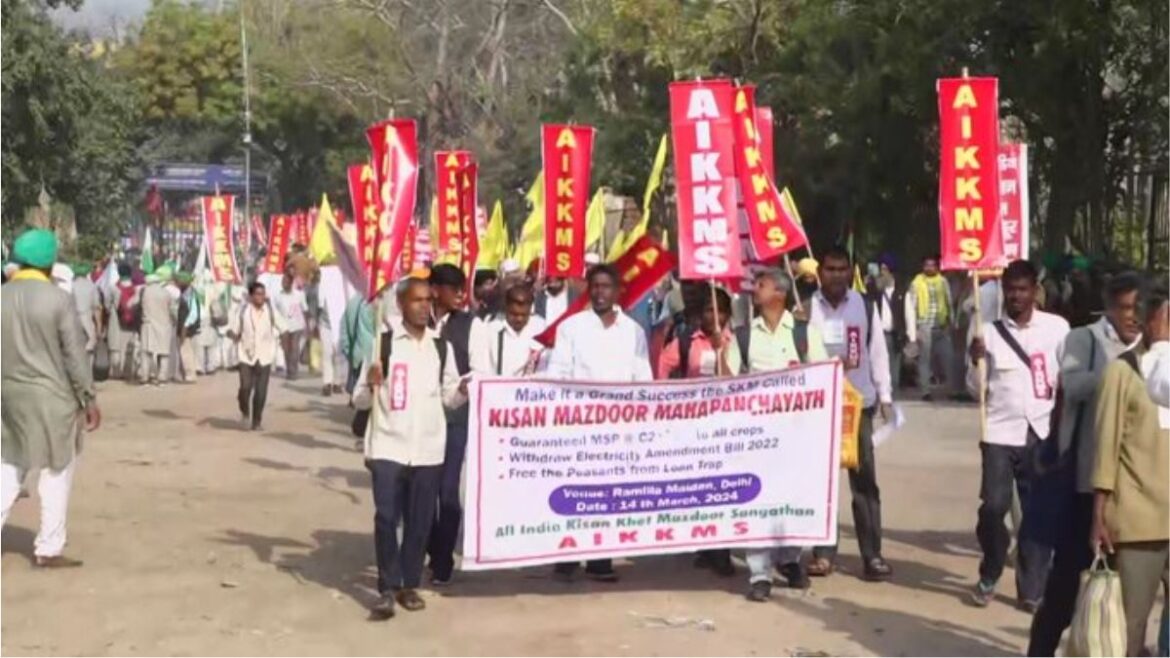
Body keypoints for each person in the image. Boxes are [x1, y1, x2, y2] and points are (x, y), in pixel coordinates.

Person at [1028, 271, 1145, 654]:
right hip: (1085, 484)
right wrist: (1121, 373)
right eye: (1126, 308)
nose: (1133, 317)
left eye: (1139, 308)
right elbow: (1072, 384)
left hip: (1136, 492)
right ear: (1110, 308)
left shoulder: (1155, 348)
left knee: (1128, 590)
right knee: (1067, 582)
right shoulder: (1086, 340)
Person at [353, 277, 465, 619]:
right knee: (386, 517)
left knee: (419, 523)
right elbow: (358, 399)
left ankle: (408, 584)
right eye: (416, 300)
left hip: (428, 448)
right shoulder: (383, 346)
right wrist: (371, 385)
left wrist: (466, 391)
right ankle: (387, 586)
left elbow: (449, 395)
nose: (423, 306)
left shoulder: (440, 347)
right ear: (401, 304)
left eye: (427, 300)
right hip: (388, 444)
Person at [966, 259, 1070, 610]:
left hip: (1040, 432)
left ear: (1034, 292)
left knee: (1036, 512)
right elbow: (973, 390)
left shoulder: (1057, 329)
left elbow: (1066, 380)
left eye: (1023, 289)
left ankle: (1032, 588)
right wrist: (974, 361)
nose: (1016, 296)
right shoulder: (987, 331)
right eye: (1010, 290)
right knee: (994, 508)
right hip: (998, 431)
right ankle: (991, 568)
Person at [1, 229, 102, 567]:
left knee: (8, 466)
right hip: (52, 397)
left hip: (8, 394)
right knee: (56, 470)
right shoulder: (57, 299)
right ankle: (48, 547)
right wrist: (88, 398)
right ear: (49, 263)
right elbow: (74, 355)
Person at [547, 263, 653, 582]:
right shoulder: (572, 327)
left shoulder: (632, 330)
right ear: (587, 289)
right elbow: (558, 375)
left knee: (608, 494)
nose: (599, 292)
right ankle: (567, 556)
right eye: (594, 286)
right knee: (575, 492)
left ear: (618, 291)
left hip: (618, 430)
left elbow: (642, 379)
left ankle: (600, 558)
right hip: (580, 427)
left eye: (606, 286)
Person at [1090, 283, 1168, 656]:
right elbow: (1105, 448)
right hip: (1139, 521)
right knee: (1130, 625)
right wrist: (1099, 514)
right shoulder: (1120, 373)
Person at [807, 246, 894, 581]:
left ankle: (872, 555)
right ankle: (823, 553)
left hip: (859, 407)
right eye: (830, 269)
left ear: (851, 271)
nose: (837, 275)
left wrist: (884, 395)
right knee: (821, 483)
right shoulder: (805, 309)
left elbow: (878, 353)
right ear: (820, 272)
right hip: (820, 407)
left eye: (843, 269)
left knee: (864, 483)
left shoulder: (864, 305)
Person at [741, 268, 825, 599]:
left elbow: (821, 376)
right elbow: (726, 381)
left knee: (795, 497)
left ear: (779, 293)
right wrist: (721, 353)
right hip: (757, 437)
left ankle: (790, 560)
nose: (754, 289)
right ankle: (759, 573)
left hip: (797, 435)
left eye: (760, 285)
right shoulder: (744, 335)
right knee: (758, 502)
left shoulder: (804, 333)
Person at [656, 286, 742, 579]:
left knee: (724, 487)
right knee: (702, 486)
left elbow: (734, 380)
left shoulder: (736, 340)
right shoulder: (686, 341)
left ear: (728, 314)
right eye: (708, 310)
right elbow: (663, 368)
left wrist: (720, 350)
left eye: (719, 310)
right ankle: (706, 547)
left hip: (726, 424)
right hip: (694, 425)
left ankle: (722, 551)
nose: (713, 316)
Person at [426, 264, 489, 585]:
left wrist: (462, 386)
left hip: (455, 417)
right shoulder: (416, 320)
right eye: (455, 289)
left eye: (463, 289)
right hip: (418, 419)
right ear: (435, 290)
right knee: (421, 489)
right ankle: (431, 544)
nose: (462, 295)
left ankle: (443, 557)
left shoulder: (471, 325)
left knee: (448, 490)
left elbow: (481, 369)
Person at [228, 281, 285, 431]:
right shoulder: (243, 311)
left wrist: (285, 343)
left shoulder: (270, 311)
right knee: (245, 388)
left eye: (263, 294)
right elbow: (234, 331)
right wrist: (231, 335)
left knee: (261, 392)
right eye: (258, 294)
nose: (261, 297)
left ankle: (257, 421)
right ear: (251, 296)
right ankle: (244, 410)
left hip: (265, 356)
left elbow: (283, 327)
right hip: (246, 355)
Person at [906, 255, 958, 401]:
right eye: (927, 265)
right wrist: (913, 330)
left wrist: (951, 322)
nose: (930, 268)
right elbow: (911, 307)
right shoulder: (916, 283)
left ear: (937, 267)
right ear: (923, 267)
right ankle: (925, 391)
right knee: (924, 361)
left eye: (932, 265)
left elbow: (949, 301)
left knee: (948, 358)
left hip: (942, 327)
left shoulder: (943, 281)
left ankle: (951, 390)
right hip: (924, 327)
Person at [486, 284, 547, 377]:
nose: (519, 319)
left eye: (524, 315)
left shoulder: (540, 328)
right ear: (506, 308)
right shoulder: (491, 329)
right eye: (514, 314)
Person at [138, 268, 177, 386]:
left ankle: (144, 377)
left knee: (146, 353)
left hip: (148, 324)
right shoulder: (166, 293)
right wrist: (174, 321)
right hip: (164, 325)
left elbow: (140, 306)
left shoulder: (145, 292)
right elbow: (173, 310)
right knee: (164, 353)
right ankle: (162, 377)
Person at [870, 260, 905, 391]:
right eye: (881, 269)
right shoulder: (875, 292)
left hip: (894, 333)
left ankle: (893, 390)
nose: (882, 273)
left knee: (894, 364)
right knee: (878, 362)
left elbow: (907, 313)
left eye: (885, 269)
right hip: (878, 333)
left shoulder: (900, 291)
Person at [106, 263, 140, 380]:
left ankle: (116, 371)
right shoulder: (136, 289)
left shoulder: (113, 288)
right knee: (130, 348)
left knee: (116, 347)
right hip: (132, 322)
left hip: (116, 321)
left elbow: (107, 305)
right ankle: (129, 371)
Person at [340, 291, 376, 394]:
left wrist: (347, 350)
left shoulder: (353, 301)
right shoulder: (378, 302)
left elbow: (344, 329)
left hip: (357, 353)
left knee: (359, 389)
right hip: (373, 354)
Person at [273, 272, 307, 380]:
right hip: (284, 326)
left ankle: (294, 370)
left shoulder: (299, 294)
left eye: (286, 281)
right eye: (283, 281)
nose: (284, 283)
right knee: (286, 349)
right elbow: (276, 311)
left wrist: (308, 325)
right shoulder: (278, 296)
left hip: (297, 325)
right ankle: (289, 369)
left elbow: (305, 309)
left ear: (291, 283)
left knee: (295, 347)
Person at [70, 264, 101, 372]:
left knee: (75, 348)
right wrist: (99, 326)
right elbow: (96, 308)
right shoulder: (92, 286)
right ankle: (89, 375)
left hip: (74, 319)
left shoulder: (71, 286)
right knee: (90, 347)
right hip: (87, 318)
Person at [174, 272, 201, 383]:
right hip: (184, 326)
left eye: (179, 281)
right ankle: (184, 373)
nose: (177, 283)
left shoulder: (190, 294)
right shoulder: (185, 293)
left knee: (186, 351)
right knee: (184, 351)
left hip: (187, 328)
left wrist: (185, 327)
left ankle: (190, 375)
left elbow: (193, 313)